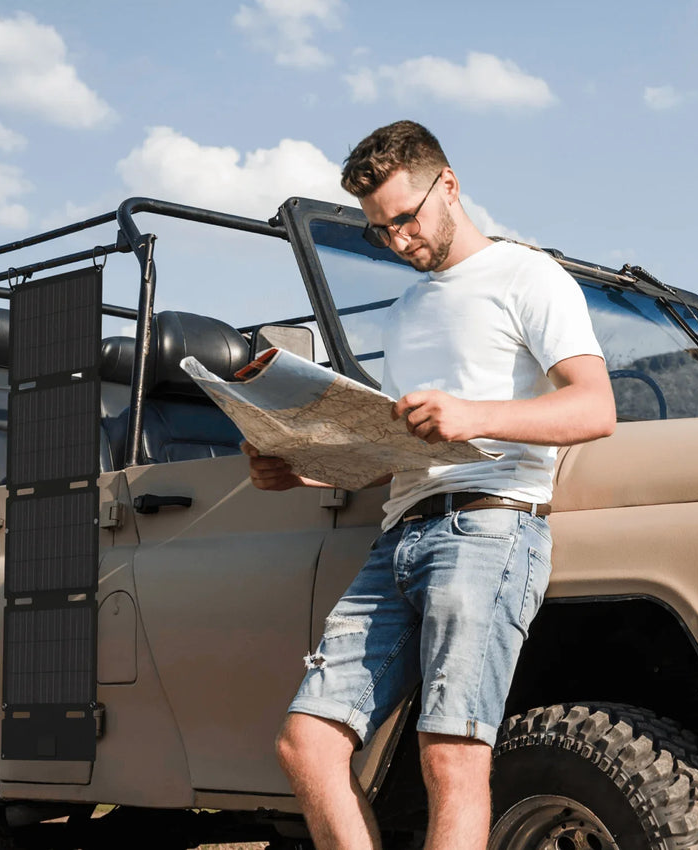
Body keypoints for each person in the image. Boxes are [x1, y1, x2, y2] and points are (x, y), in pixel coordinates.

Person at [242, 119, 616, 850]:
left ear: (448, 184)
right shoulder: (407, 309)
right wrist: (303, 466)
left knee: (451, 756)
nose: (398, 242)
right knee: (307, 744)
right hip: (399, 533)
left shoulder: (528, 275)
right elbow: (396, 447)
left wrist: (470, 413)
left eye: (404, 220)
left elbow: (595, 406)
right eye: (380, 232)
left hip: (489, 525)